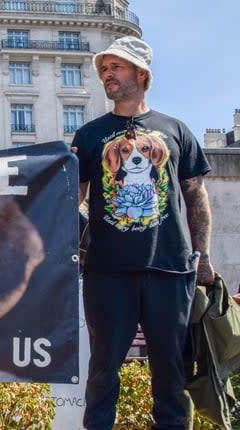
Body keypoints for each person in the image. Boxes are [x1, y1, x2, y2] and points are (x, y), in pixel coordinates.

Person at [72, 36, 214, 429]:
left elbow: (195, 195)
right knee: (103, 370)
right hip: (107, 271)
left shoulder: (176, 130)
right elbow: (74, 199)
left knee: (171, 372)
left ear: (141, 73)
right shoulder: (88, 135)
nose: (107, 75)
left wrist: (202, 257)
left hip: (170, 269)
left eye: (115, 67)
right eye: (104, 69)